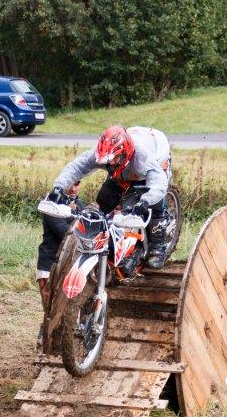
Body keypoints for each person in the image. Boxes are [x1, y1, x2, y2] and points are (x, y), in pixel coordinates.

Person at [49, 125, 172, 270]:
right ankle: (110, 239)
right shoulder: (100, 153)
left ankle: (158, 244)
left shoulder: (142, 157)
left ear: (125, 152)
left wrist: (146, 201)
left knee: (153, 201)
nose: (111, 163)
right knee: (105, 198)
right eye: (108, 161)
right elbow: (76, 167)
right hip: (127, 163)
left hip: (156, 150)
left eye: (115, 159)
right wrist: (59, 187)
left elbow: (158, 183)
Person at [36, 180, 83, 311]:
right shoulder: (51, 205)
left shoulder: (80, 204)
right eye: (70, 184)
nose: (73, 189)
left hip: (70, 263)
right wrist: (73, 212)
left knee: (67, 309)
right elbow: (66, 233)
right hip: (50, 264)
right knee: (50, 309)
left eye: (76, 184)